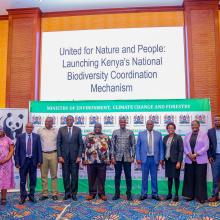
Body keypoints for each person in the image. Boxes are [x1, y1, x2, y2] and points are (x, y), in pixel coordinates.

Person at [15, 122, 43, 204]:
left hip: (33, 161)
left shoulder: (37, 137)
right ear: (25, 127)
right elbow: (17, 151)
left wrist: (40, 161)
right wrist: (17, 162)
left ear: (33, 128)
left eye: (30, 127)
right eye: (27, 127)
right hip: (23, 161)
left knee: (33, 180)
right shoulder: (20, 136)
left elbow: (39, 150)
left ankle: (31, 196)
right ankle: (23, 197)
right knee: (22, 180)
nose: (29, 128)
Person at [57, 115, 83, 201]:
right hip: (64, 158)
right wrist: (59, 156)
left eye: (71, 119)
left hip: (75, 158)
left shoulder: (78, 130)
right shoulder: (61, 130)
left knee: (75, 177)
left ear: (73, 120)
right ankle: (67, 193)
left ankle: (74, 194)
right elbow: (58, 143)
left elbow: (81, 144)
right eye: (67, 120)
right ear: (65, 120)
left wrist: (79, 156)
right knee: (66, 176)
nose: (69, 121)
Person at [136, 120, 164, 201]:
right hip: (144, 159)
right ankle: (143, 194)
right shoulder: (141, 134)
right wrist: (138, 157)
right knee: (144, 177)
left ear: (153, 125)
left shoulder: (158, 134)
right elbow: (138, 147)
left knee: (154, 177)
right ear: (146, 125)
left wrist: (161, 158)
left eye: (151, 124)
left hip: (154, 159)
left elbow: (161, 147)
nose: (149, 125)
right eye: (148, 124)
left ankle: (155, 194)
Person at [182, 120, 209, 204]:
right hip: (189, 160)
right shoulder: (187, 135)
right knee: (189, 178)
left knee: (200, 178)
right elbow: (184, 146)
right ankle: (190, 195)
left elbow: (206, 146)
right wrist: (189, 154)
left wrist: (196, 154)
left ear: (199, 125)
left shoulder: (204, 134)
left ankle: (201, 197)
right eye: (192, 125)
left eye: (195, 125)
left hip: (200, 160)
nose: (194, 126)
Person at [83, 123, 111, 201]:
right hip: (91, 161)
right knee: (91, 178)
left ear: (101, 128)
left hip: (102, 161)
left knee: (102, 178)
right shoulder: (88, 136)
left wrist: (109, 159)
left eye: (99, 127)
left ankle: (101, 194)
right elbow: (84, 148)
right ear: (94, 128)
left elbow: (109, 148)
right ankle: (92, 194)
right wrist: (84, 159)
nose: (97, 128)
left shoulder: (106, 137)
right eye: (96, 127)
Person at [111, 118, 136, 201]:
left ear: (126, 123)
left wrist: (133, 156)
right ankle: (117, 194)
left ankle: (129, 194)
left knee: (128, 176)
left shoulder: (130, 132)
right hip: (117, 158)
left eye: (124, 122)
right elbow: (112, 145)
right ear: (119, 123)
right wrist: (112, 157)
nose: (122, 123)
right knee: (117, 176)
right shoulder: (115, 132)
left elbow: (133, 145)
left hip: (127, 158)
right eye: (121, 122)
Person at [38, 117, 58, 201]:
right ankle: (45, 193)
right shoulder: (39, 130)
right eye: (46, 121)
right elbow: (37, 144)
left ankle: (54, 193)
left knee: (54, 175)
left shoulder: (56, 131)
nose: (47, 123)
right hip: (43, 154)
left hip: (54, 154)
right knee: (43, 175)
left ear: (52, 122)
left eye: (49, 121)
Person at [163, 122, 183, 202]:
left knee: (176, 178)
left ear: (174, 129)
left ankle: (177, 194)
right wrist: (162, 160)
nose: (170, 129)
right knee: (169, 178)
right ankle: (169, 194)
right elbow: (163, 149)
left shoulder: (178, 137)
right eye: (169, 128)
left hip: (175, 161)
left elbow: (181, 150)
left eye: (172, 128)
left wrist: (179, 162)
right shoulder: (165, 137)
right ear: (167, 129)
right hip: (168, 161)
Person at [0, 126, 15, 205]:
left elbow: (11, 150)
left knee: (4, 181)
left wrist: (5, 159)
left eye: (0, 130)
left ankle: (3, 198)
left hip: (6, 164)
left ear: (3, 131)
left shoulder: (8, 139)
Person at [208, 115, 220, 202]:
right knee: (215, 177)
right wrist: (210, 156)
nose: (217, 122)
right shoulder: (210, 131)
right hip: (215, 157)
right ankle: (215, 195)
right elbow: (208, 145)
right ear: (213, 121)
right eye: (216, 120)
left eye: (219, 120)